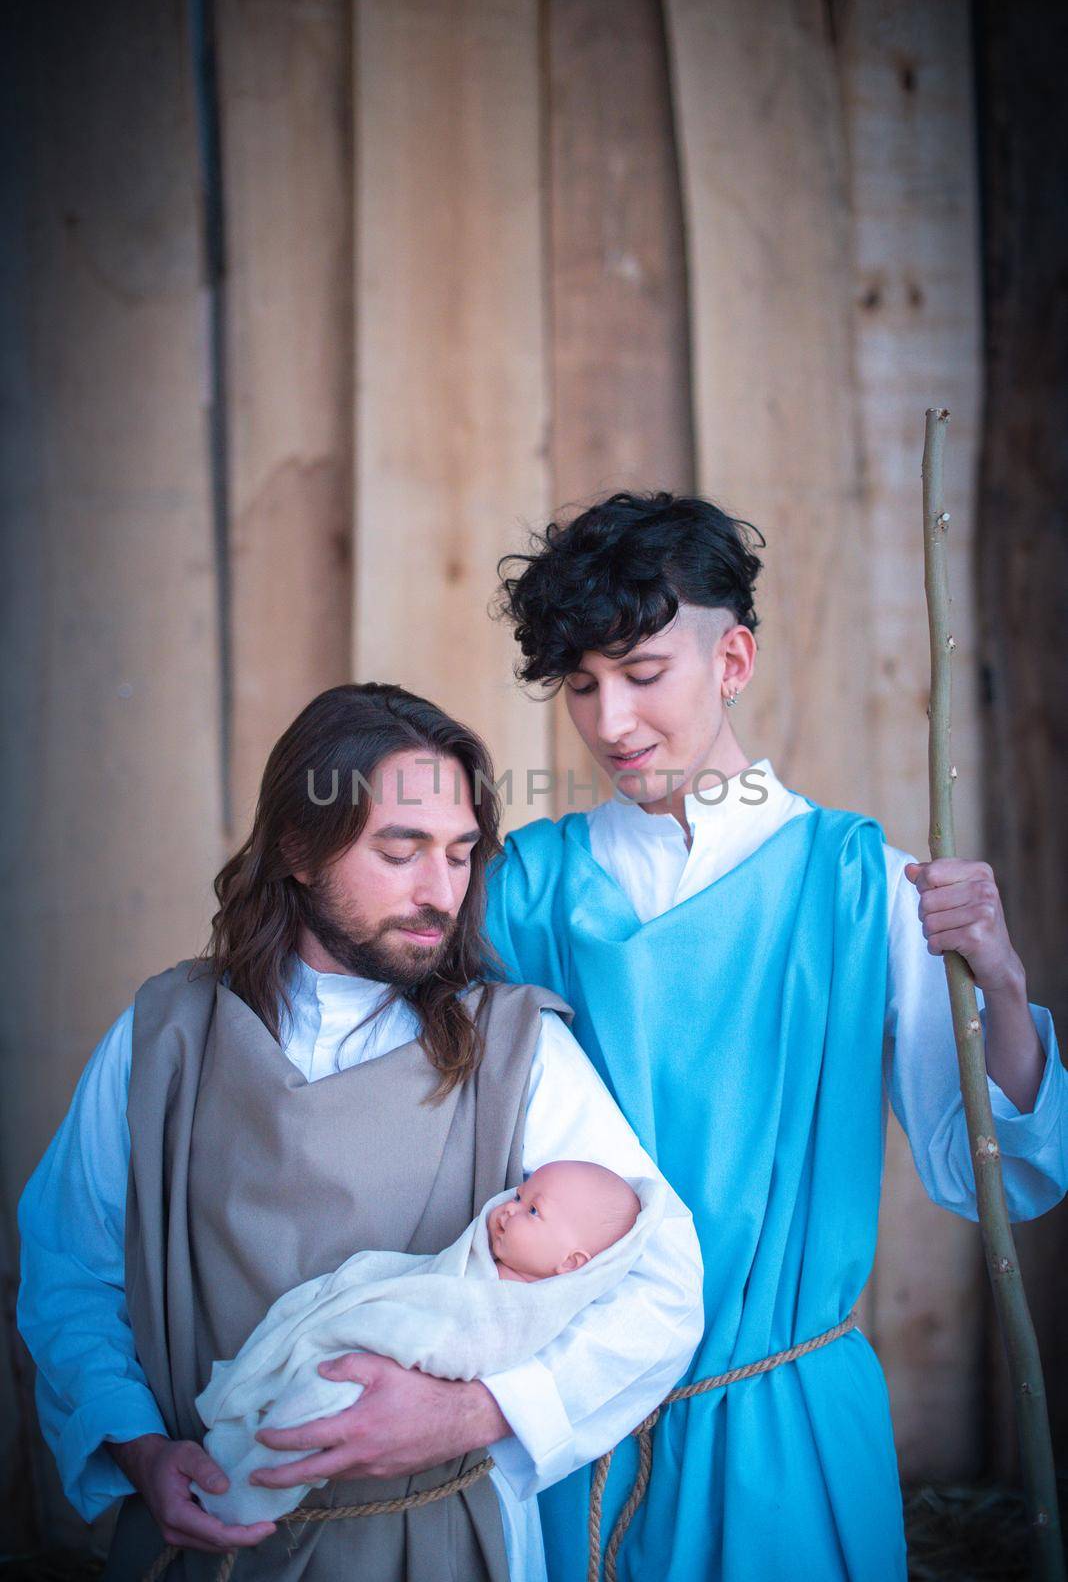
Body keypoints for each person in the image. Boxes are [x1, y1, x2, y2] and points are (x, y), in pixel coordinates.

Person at [486, 491, 1068, 1582]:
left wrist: (1002, 978)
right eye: (581, 685)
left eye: (643, 672)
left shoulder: (866, 886)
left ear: (734, 658)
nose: (610, 721)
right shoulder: (522, 890)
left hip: (784, 1432)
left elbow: (1001, 1175)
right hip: (576, 1433)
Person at [17, 683, 703, 1582]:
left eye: (461, 854)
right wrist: (141, 1446)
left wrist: (475, 1415)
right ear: (298, 846)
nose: (441, 891)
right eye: (401, 849)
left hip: (441, 1544)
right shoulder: (166, 1035)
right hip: (209, 1542)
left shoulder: (516, 1049)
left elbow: (664, 1286)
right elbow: (71, 1268)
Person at [193, 1162, 651, 1528]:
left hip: (385, 1369)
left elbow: (460, 1342)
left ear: (570, 1263)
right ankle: (231, 1452)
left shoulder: (524, 1310)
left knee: (318, 1407)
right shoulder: (479, 1262)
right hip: (372, 1331)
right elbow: (423, 1283)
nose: (509, 1209)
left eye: (533, 1211)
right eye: (517, 1196)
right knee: (317, 1319)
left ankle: (237, 1497)